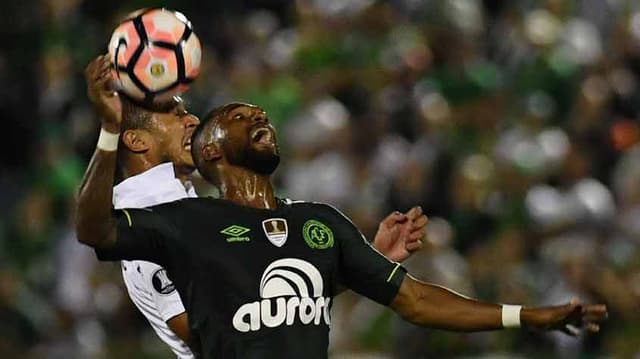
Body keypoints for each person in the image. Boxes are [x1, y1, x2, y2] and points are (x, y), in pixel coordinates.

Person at [75, 97, 607, 358]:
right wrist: (106, 132)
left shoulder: (320, 225)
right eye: (240, 116)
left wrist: (529, 316)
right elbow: (94, 230)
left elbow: (419, 301)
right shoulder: (186, 223)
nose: (260, 118)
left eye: (262, 114)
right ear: (212, 149)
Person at [80, 55, 428, 358]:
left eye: (186, 112)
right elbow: (207, 332)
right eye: (173, 114)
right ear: (136, 139)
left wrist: (359, 267)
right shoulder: (148, 218)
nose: (191, 121)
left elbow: (257, 305)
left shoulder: (180, 203)